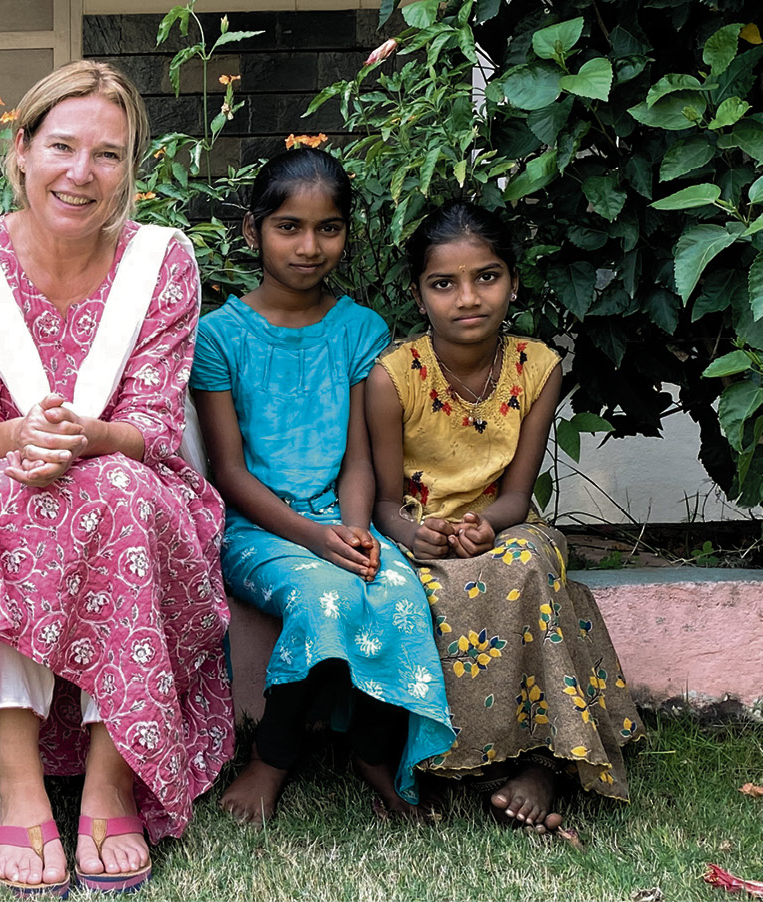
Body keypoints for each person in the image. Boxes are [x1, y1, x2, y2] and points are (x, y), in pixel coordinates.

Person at [0, 61, 232, 896]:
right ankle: (17, 776)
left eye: (108, 155)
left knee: (113, 493)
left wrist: (86, 439)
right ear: (20, 150)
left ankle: (110, 773)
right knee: (14, 489)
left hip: (126, 472)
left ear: (130, 168)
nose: (81, 175)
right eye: (62, 147)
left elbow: (153, 430)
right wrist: (26, 437)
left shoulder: (160, 263)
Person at [191, 147, 455, 827]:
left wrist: (358, 529)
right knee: (325, 591)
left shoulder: (360, 330)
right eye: (288, 227)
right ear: (252, 232)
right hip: (256, 530)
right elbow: (229, 473)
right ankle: (270, 759)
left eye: (327, 228)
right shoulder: (219, 336)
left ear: (346, 232)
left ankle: (373, 751)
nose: (309, 247)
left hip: (343, 516)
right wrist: (314, 537)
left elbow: (359, 459)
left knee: (395, 589)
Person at [367, 201, 641, 831]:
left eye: (486, 277)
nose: (468, 298)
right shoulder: (392, 377)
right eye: (444, 284)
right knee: (429, 591)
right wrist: (418, 534)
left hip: (505, 526)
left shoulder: (537, 367)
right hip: (420, 532)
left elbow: (518, 493)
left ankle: (544, 760)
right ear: (419, 294)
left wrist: (489, 526)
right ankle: (438, 762)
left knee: (530, 564)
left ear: (513, 282)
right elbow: (384, 501)